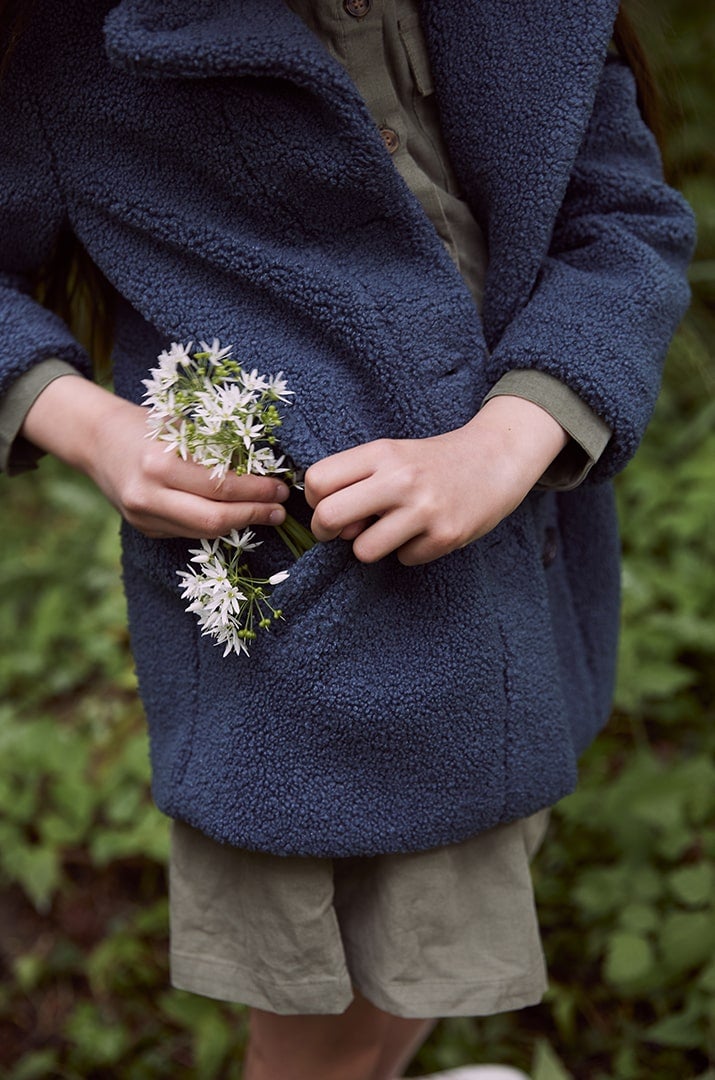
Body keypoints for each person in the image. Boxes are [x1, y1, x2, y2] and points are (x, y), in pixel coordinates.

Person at [0, 0, 695, 1077]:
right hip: (299, 664)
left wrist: (509, 441)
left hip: (514, 592)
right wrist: (94, 429)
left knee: (434, 950)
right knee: (319, 1037)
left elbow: (622, 223)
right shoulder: (69, 42)